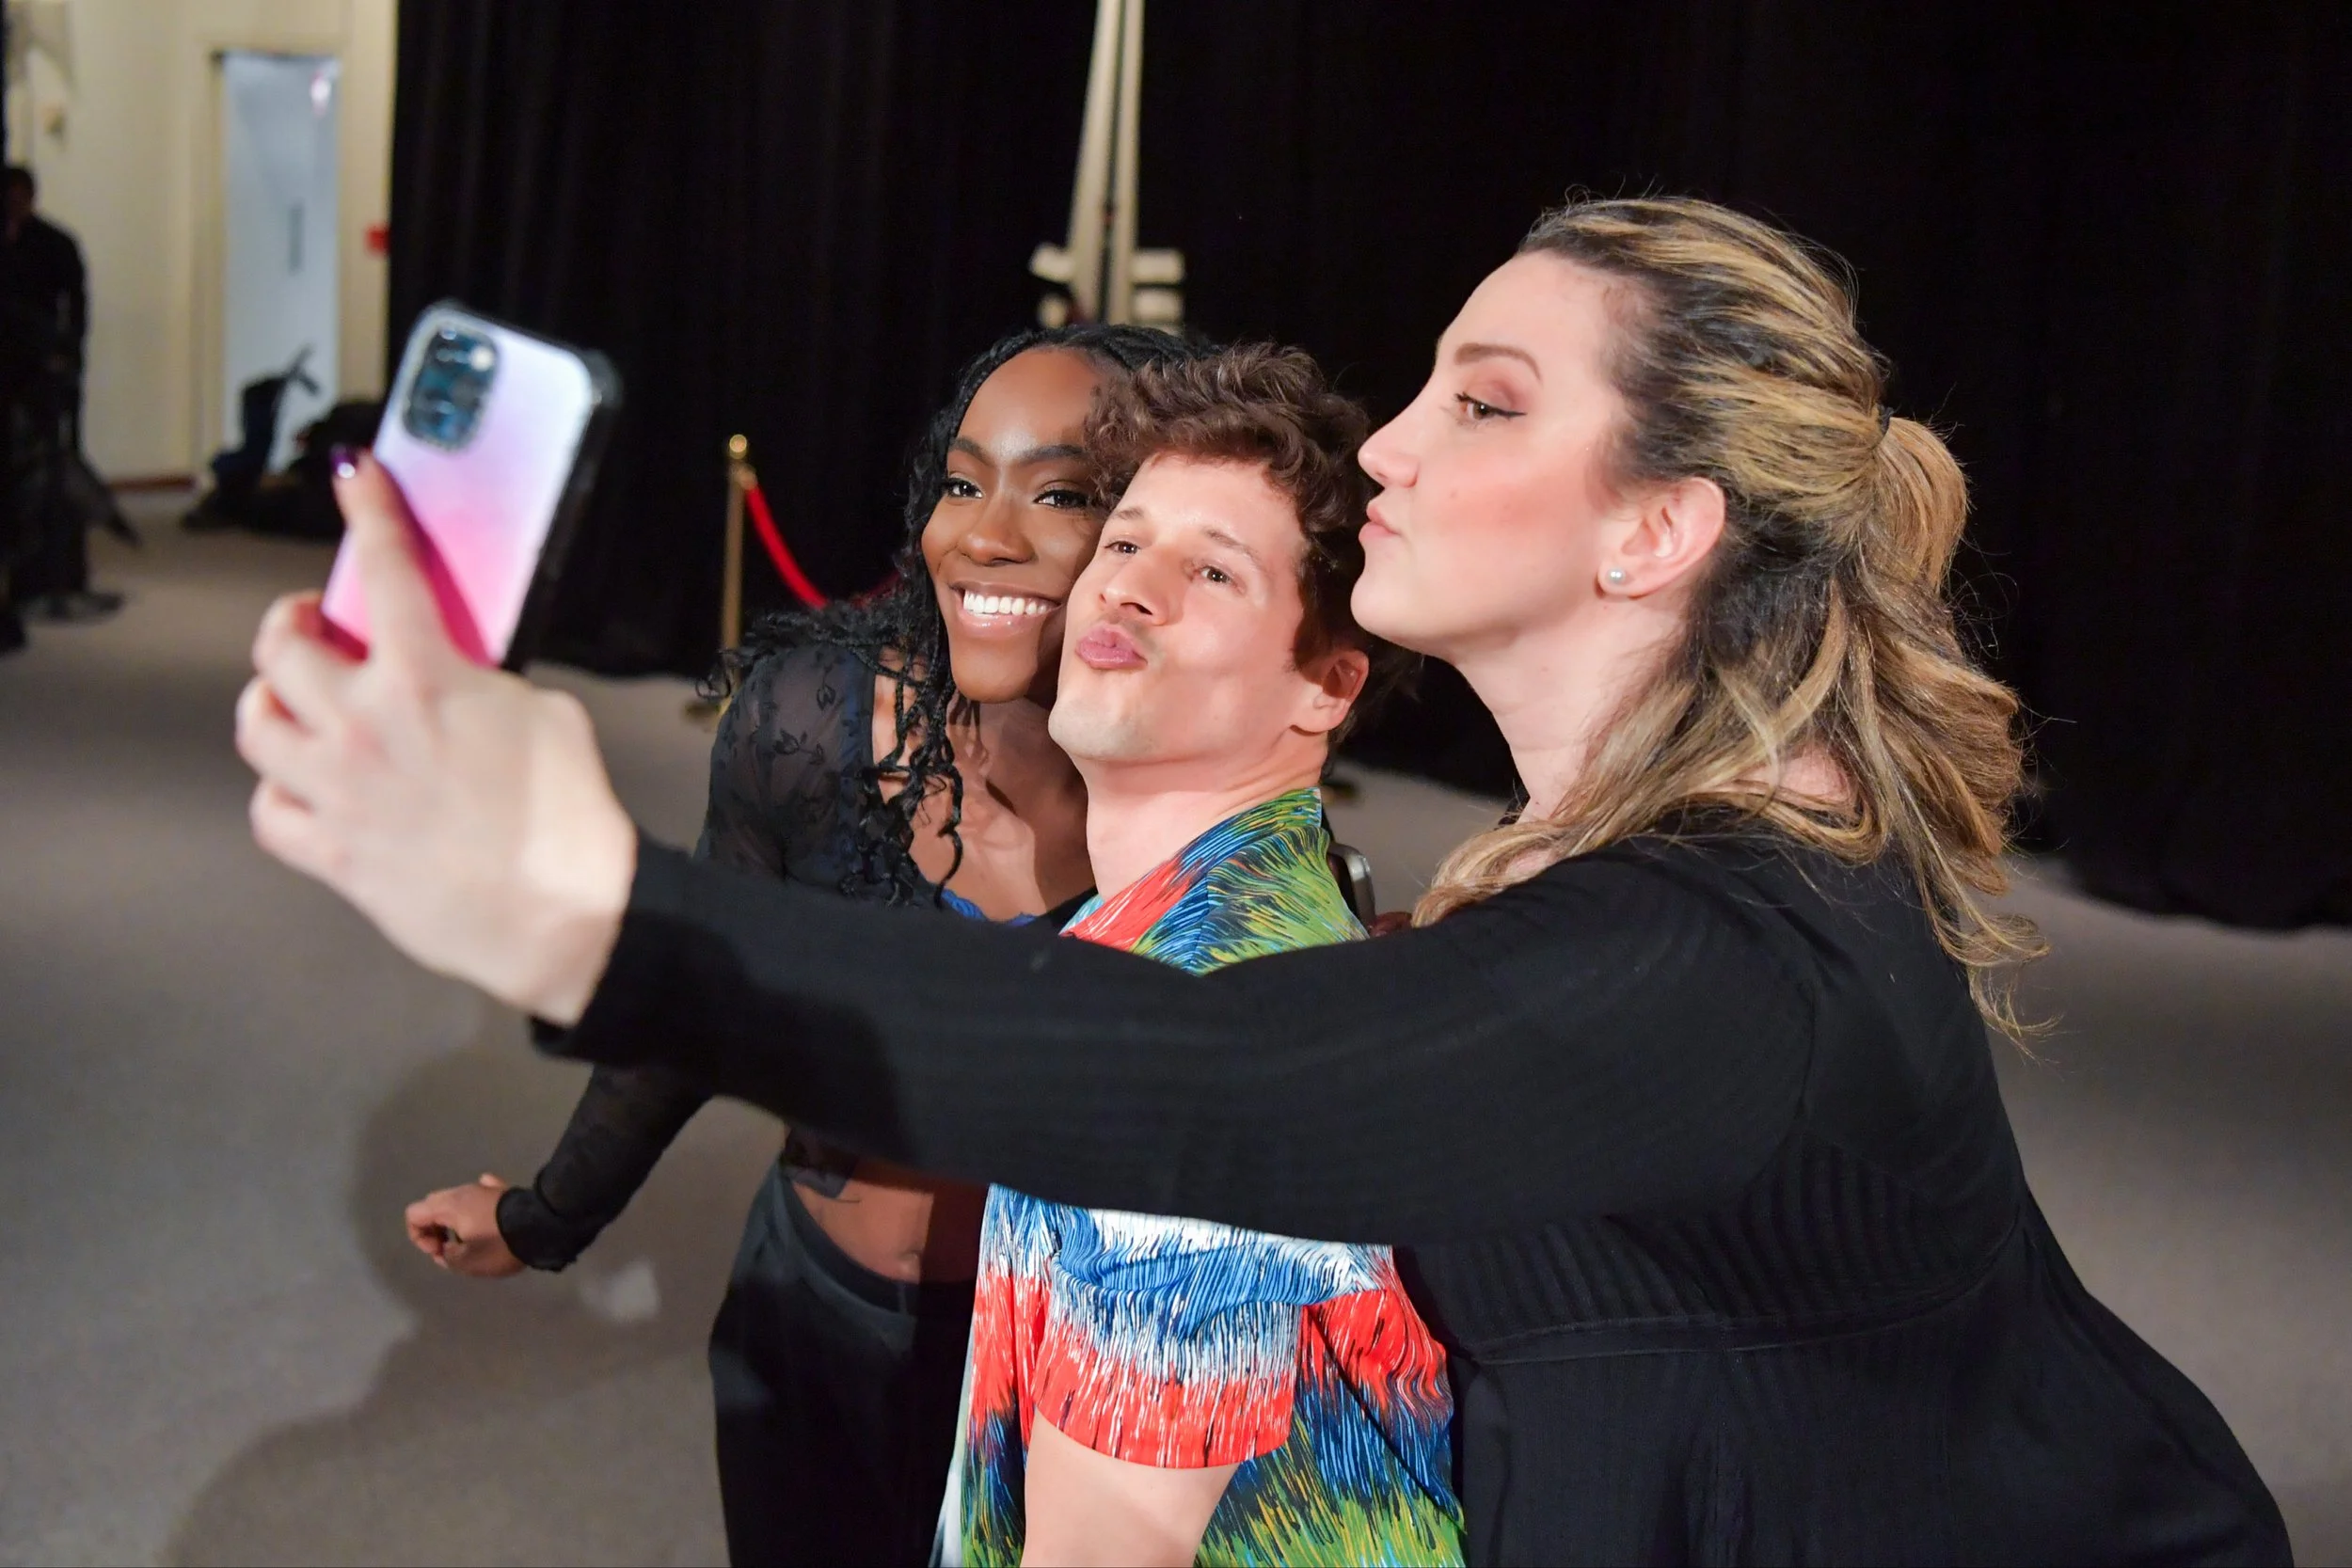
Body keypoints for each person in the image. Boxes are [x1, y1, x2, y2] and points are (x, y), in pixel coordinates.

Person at [237, 195, 2290, 1563]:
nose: (1385, 444)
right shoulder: (1661, 826)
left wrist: (589, 901)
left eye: (1479, 402)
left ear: (1659, 526)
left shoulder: (1728, 929)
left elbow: (1206, 1079)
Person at [403, 321, 1201, 1566]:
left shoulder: (1212, 823)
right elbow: (703, 1006)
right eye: (963, 479)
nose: (981, 534)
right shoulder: (814, 725)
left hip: (1053, 1379)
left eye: (1060, 492)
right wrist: (548, 1214)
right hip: (802, 1319)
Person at [945, 345, 1454, 1567]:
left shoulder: (1199, 1029)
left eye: (1211, 570)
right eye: (1124, 541)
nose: (1129, 589)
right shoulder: (1209, 920)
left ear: (1326, 685)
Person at [0, 164, 117, 625]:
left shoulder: (55, 243)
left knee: (56, 465)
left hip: (45, 367)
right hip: (9, 368)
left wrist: (68, 356)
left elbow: (77, 305)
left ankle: (57, 572)